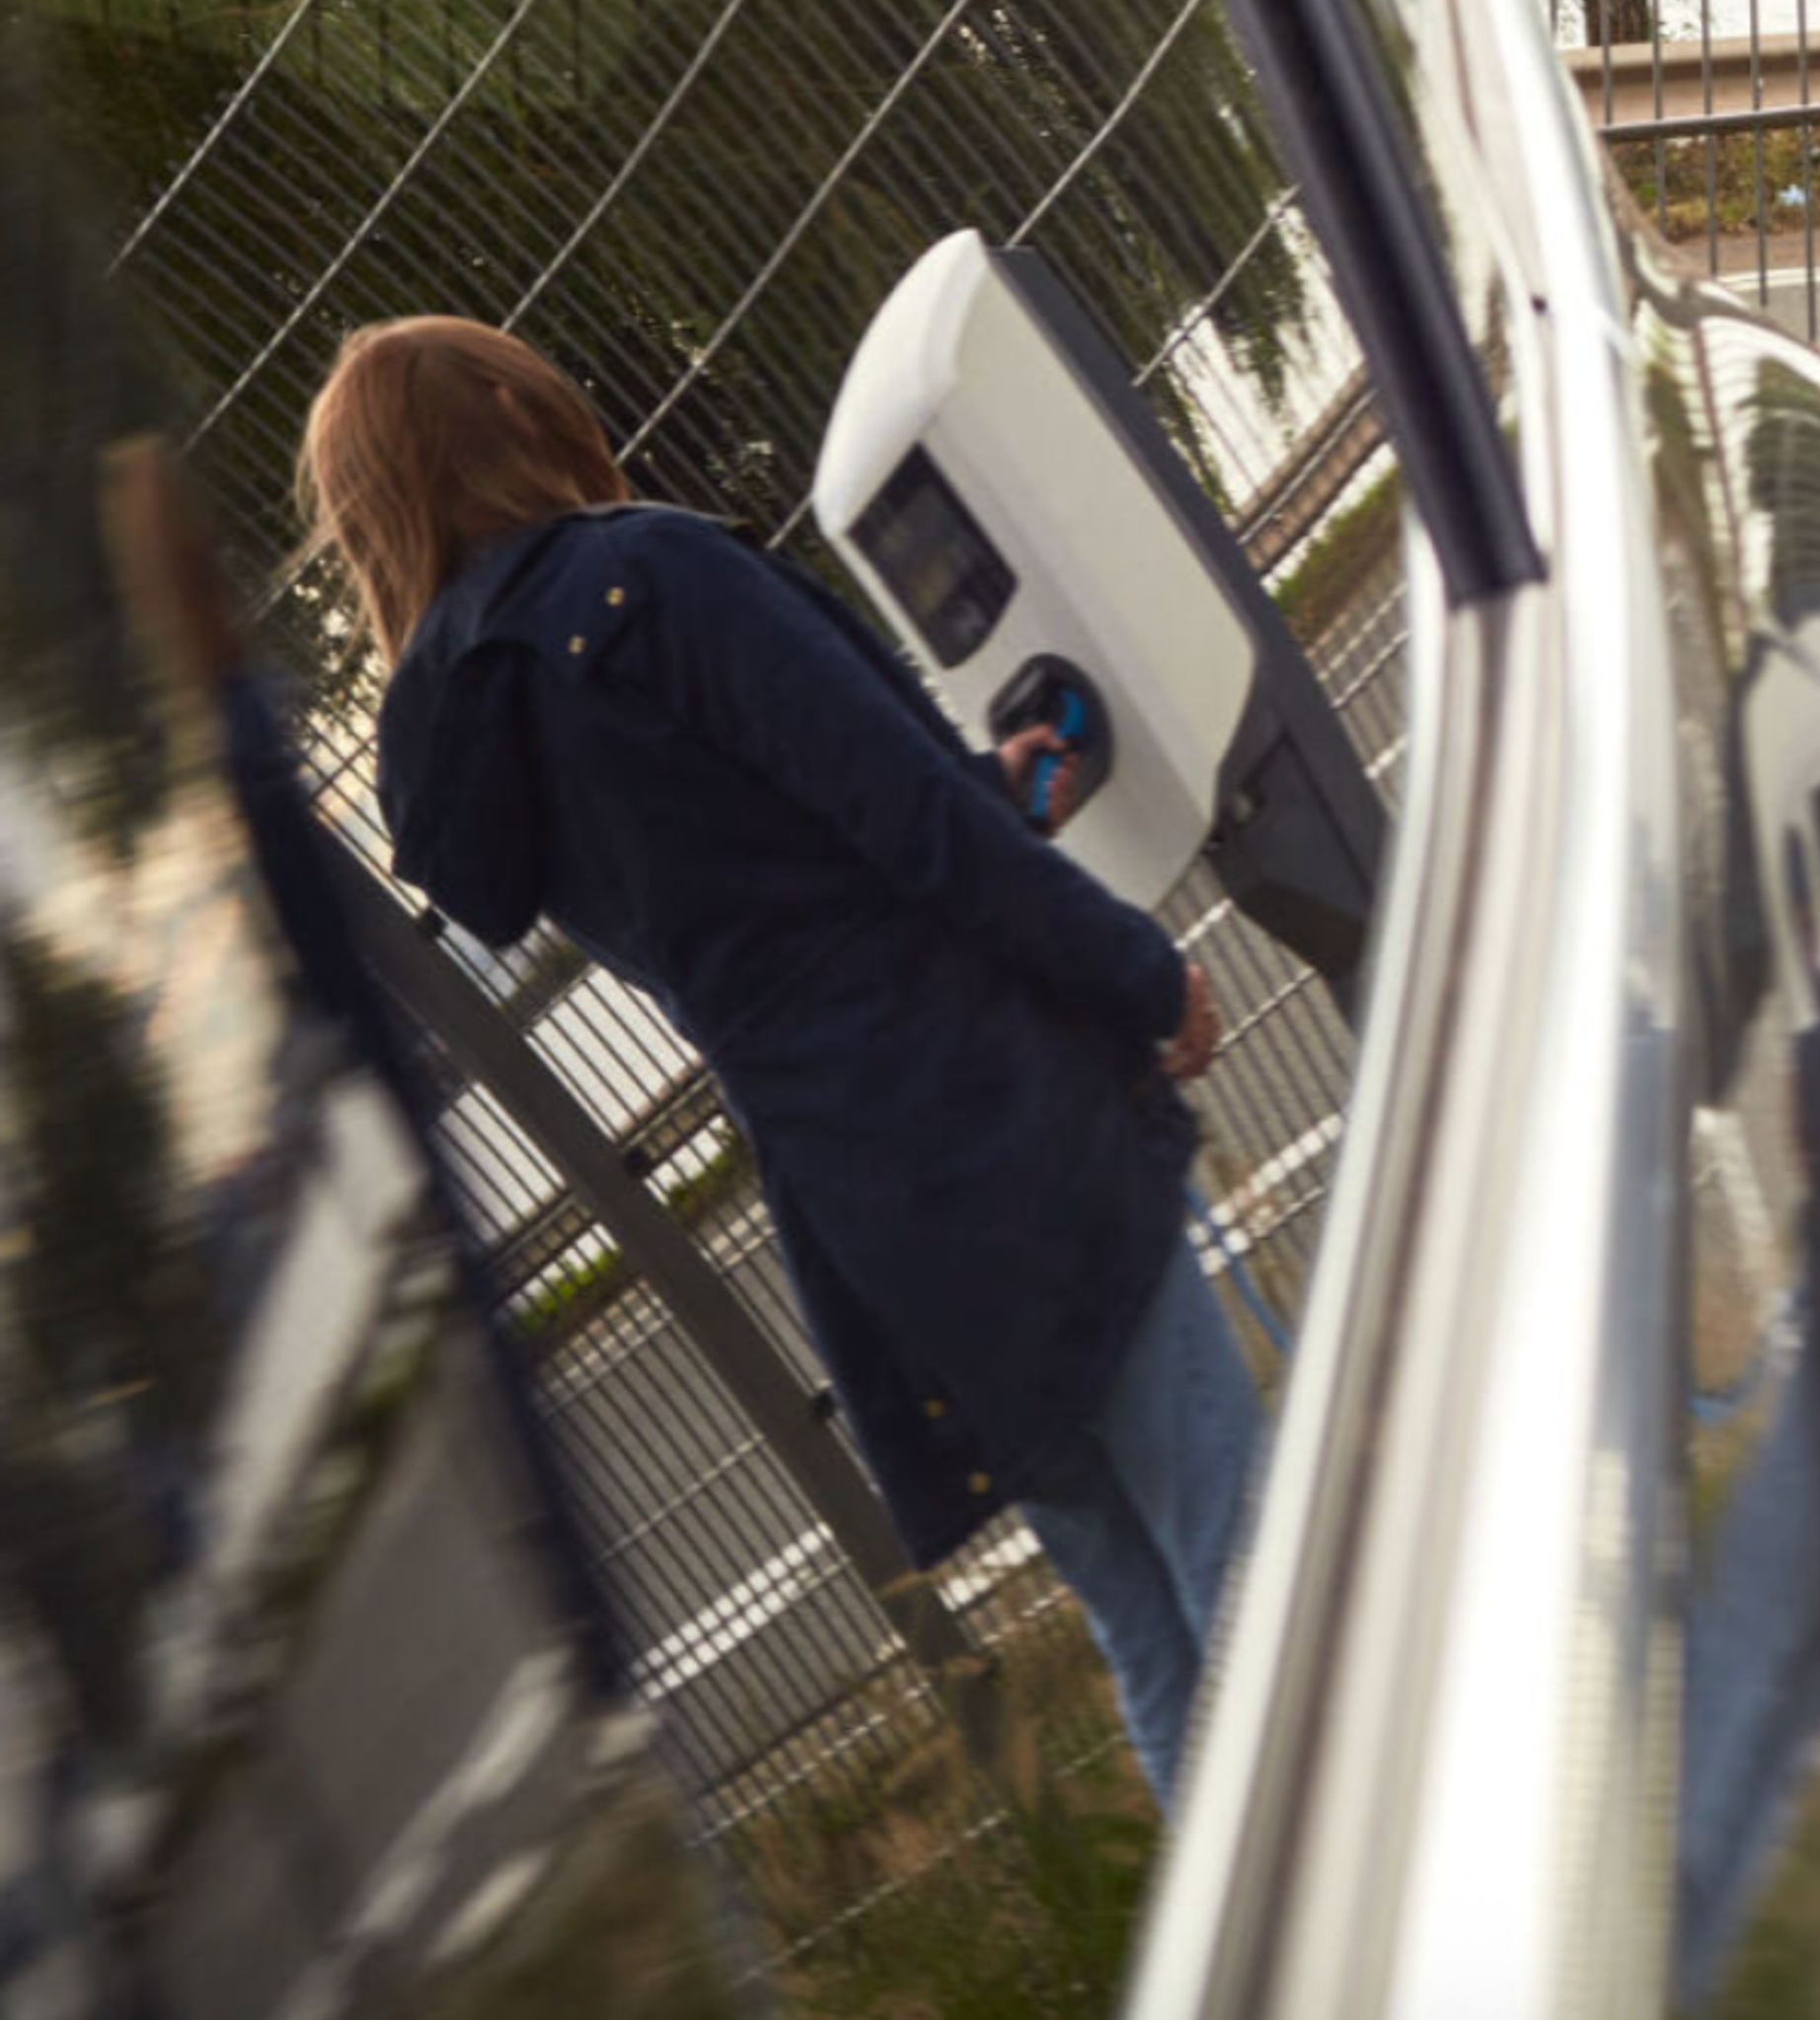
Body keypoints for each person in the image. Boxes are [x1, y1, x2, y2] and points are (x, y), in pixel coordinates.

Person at [303, 315, 1262, 1800]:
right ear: (509, 400)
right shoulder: (650, 581)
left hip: (862, 1201)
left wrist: (974, 788)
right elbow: (915, 839)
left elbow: (775, 887)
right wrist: (1143, 975)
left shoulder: (473, 747)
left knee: (1151, 1630)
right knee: (1248, 1562)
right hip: (1004, 1123)